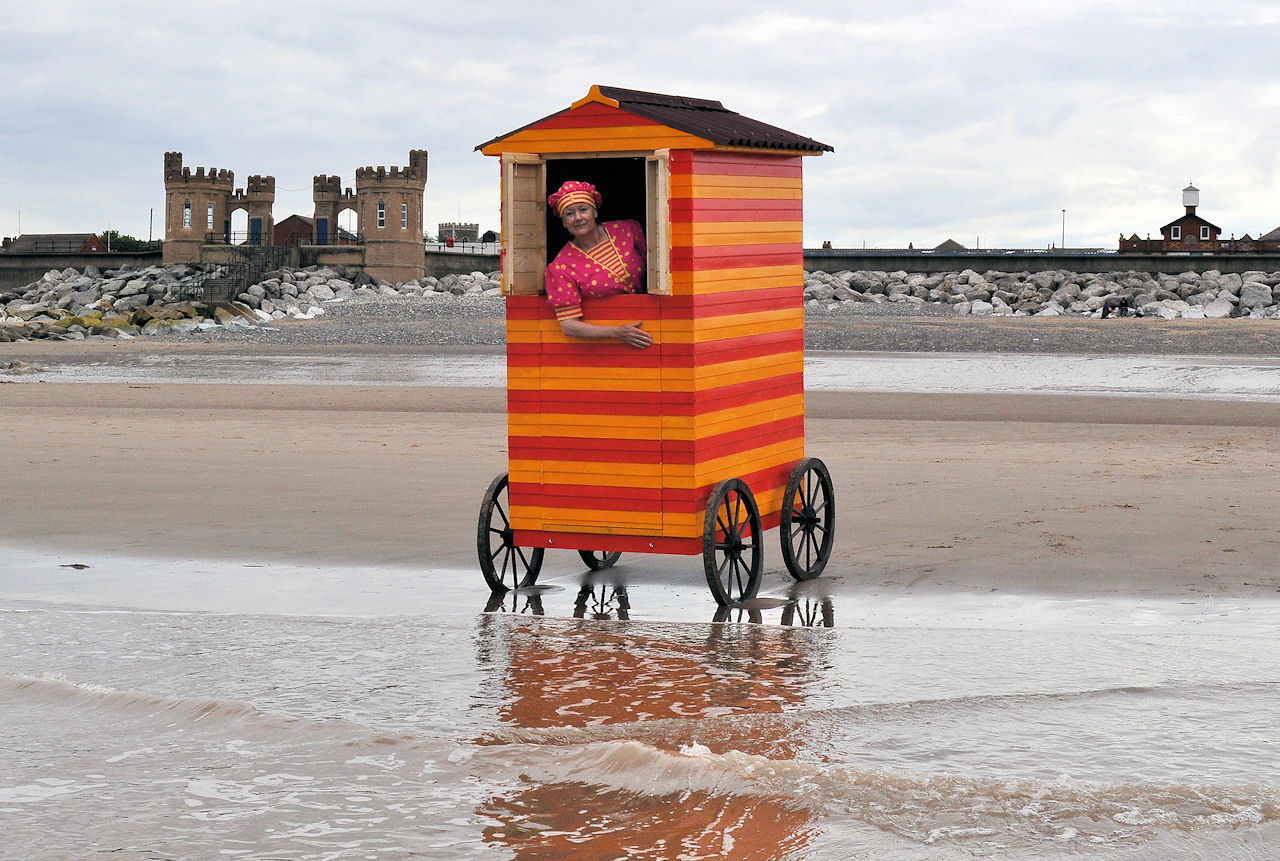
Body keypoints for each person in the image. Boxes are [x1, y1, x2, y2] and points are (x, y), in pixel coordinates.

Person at [544, 180, 652, 349]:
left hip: (653, 325)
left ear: (594, 212)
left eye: (583, 210)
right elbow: (569, 326)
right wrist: (617, 333)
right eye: (569, 213)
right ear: (564, 222)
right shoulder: (560, 267)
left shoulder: (628, 230)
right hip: (611, 343)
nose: (578, 218)